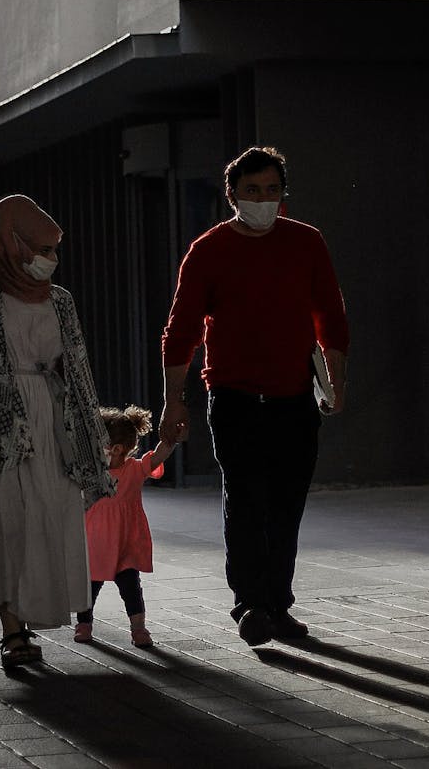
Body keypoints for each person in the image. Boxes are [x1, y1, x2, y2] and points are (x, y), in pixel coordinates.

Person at [160, 146, 349, 647]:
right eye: (252, 191)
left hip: (295, 398)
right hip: (235, 397)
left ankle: (277, 603)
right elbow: (180, 333)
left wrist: (336, 379)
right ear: (232, 196)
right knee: (246, 501)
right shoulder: (208, 251)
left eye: (271, 190)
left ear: (283, 194)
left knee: (287, 504)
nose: (263, 200)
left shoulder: (306, 243)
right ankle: (250, 604)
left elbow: (331, 315)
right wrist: (172, 401)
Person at [0, 193, 115, 671]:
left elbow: (78, 369)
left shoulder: (60, 301)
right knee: (9, 521)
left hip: (53, 421)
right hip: (3, 429)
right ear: (12, 243)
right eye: (39, 247)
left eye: (54, 250)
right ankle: (12, 632)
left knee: (47, 517)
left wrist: (89, 435)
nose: (49, 259)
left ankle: (31, 612)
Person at [74, 405, 183, 648]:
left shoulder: (134, 470)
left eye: (96, 447)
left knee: (131, 588)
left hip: (125, 543)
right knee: (89, 587)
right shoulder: (91, 472)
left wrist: (171, 440)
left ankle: (138, 628)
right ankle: (84, 624)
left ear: (116, 449)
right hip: (97, 542)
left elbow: (157, 456)